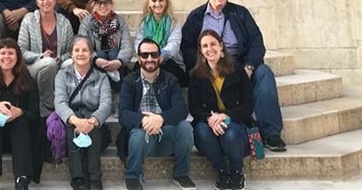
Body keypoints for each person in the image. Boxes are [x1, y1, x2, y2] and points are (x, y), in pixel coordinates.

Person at [180, 0, 286, 153]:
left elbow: (256, 41)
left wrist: (250, 66)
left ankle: (271, 133)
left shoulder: (240, 13)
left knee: (265, 73)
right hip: (210, 65)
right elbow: (187, 46)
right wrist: (203, 67)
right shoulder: (196, 16)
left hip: (241, 64)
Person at [118, 38, 196, 190]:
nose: (149, 59)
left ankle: (181, 174)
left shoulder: (170, 80)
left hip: (164, 134)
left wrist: (160, 119)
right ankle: (133, 175)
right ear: (139, 58)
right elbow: (123, 114)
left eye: (154, 55)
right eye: (145, 55)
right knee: (137, 135)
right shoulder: (129, 81)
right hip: (142, 136)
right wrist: (145, 120)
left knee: (185, 128)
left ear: (160, 58)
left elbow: (181, 109)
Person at [189, 29, 255, 190]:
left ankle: (237, 171)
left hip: (235, 121)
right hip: (208, 122)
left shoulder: (237, 70)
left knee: (230, 134)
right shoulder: (196, 75)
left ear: (221, 46)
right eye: (205, 46)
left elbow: (249, 104)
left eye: (213, 44)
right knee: (202, 132)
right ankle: (222, 171)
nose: (209, 49)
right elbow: (194, 107)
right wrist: (210, 119)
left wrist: (225, 115)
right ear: (201, 51)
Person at [0, 38, 43, 190]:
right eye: (3, 53)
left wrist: (20, 112)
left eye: (11, 53)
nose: (6, 57)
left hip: (20, 138)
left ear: (18, 57)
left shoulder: (28, 82)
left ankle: (22, 179)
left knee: (20, 121)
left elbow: (35, 116)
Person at [53, 36, 112, 190]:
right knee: (73, 130)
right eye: (76, 50)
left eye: (85, 50)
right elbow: (60, 102)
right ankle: (78, 179)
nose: (80, 54)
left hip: (95, 124)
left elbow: (106, 104)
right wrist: (76, 121)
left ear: (91, 54)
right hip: (72, 121)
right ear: (71, 54)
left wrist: (92, 121)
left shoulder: (101, 77)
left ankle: (94, 179)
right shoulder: (62, 75)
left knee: (93, 130)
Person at [17, 0, 74, 115]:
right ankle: (47, 104)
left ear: (55, 1)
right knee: (49, 63)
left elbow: (71, 51)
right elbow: (21, 50)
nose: (45, 2)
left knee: (72, 63)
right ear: (37, 2)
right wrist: (41, 56)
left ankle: (70, 101)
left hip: (59, 64)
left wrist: (61, 58)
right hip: (34, 67)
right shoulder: (28, 20)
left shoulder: (64, 22)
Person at [133, 0, 186, 85]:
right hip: (147, 57)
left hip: (168, 59)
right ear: (149, 3)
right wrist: (147, 55)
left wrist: (157, 56)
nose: (157, 4)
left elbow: (174, 45)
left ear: (166, 3)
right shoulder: (143, 23)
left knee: (164, 70)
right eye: (154, 1)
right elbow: (138, 42)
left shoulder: (174, 23)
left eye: (161, 0)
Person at [78, 0, 132, 87]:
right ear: (93, 5)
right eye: (99, 3)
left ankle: (116, 92)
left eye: (106, 3)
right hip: (95, 61)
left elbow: (127, 46)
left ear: (112, 5)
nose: (103, 6)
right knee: (100, 54)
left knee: (113, 54)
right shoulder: (86, 22)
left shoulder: (120, 21)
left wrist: (119, 61)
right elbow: (83, 45)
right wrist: (95, 59)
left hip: (116, 60)